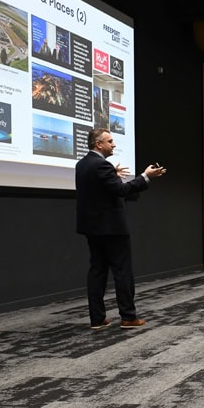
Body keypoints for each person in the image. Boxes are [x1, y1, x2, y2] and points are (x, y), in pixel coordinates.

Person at [76, 128, 166, 330]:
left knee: (97, 271)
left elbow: (100, 190)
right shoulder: (102, 166)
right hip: (112, 228)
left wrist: (114, 175)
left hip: (92, 228)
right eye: (110, 141)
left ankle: (97, 319)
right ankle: (128, 317)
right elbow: (122, 190)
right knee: (122, 272)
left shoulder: (82, 164)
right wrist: (145, 176)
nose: (114, 144)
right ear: (98, 144)